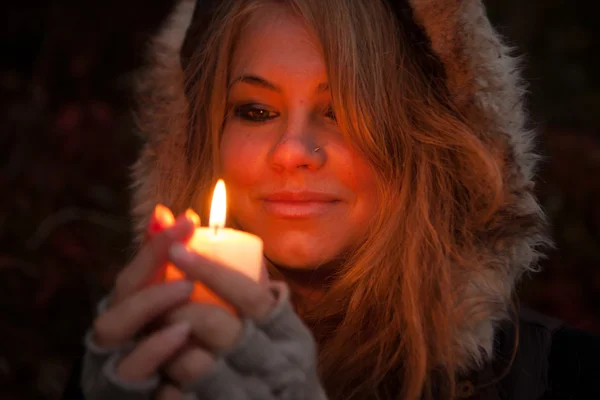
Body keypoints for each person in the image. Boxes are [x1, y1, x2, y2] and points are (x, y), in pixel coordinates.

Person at [61, 0, 600, 399]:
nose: (294, 150)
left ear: (424, 142)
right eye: (255, 110)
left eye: (341, 109)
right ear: (200, 142)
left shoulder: (561, 377)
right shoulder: (135, 360)